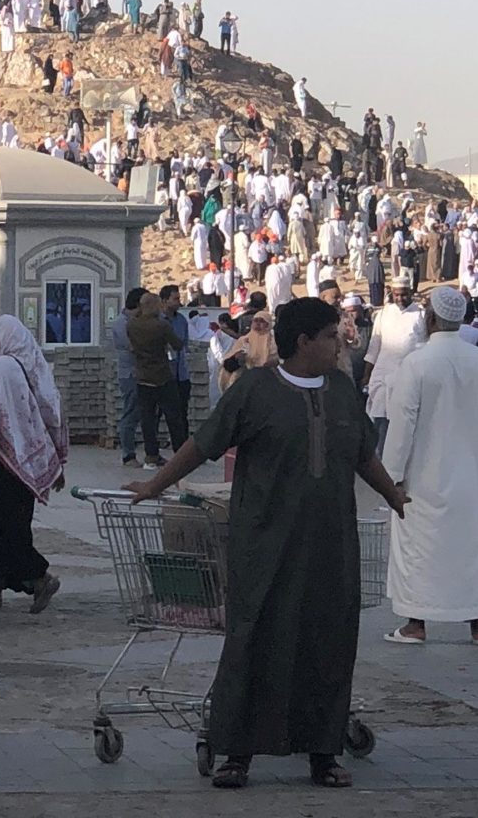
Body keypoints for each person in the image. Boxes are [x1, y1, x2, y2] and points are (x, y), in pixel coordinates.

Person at [125, 298, 408, 790]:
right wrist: (155, 485)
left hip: (331, 547)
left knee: (328, 644)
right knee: (254, 642)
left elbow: (363, 455)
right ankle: (237, 753)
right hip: (265, 545)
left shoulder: (342, 391)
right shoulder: (254, 390)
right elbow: (202, 445)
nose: (340, 342)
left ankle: (323, 752)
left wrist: (394, 495)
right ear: (303, 342)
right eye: (330, 335)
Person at [382, 287, 478, 645]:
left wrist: (389, 478)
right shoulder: (477, 360)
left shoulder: (417, 363)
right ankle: (477, 625)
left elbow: (402, 424)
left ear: (432, 319)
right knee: (473, 552)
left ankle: (415, 624)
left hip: (424, 478)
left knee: (418, 553)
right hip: (472, 477)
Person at [0, 315, 65, 612]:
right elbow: (52, 414)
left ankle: (39, 576)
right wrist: (56, 461)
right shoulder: (36, 365)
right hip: (28, 460)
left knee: (0, 526)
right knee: (14, 522)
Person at [361, 275, 426, 455]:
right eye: (396, 295)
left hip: (409, 378)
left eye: (404, 295)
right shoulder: (383, 314)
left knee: (404, 423)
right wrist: (367, 374)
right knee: (380, 420)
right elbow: (374, 347)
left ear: (411, 293)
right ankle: (380, 462)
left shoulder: (420, 315)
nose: (400, 299)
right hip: (382, 375)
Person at [126, 293, 187, 469]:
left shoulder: (132, 324)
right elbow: (177, 344)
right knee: (173, 416)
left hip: (142, 376)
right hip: (162, 376)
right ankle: (180, 454)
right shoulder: (161, 325)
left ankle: (151, 455)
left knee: (148, 418)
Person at [112, 288, 148, 468]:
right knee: (131, 413)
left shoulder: (139, 322)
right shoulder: (121, 323)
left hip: (143, 372)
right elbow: (134, 347)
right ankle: (128, 454)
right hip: (130, 374)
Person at [160, 284, 191, 439]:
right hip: (162, 375)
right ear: (164, 301)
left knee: (181, 414)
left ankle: (182, 448)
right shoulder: (158, 321)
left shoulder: (181, 321)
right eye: (175, 299)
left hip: (181, 374)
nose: (179, 302)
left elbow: (183, 344)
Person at [218, 310, 277, 391]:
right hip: (244, 383)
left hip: (266, 384)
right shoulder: (244, 340)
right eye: (256, 321)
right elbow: (228, 365)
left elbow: (277, 361)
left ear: (268, 324)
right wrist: (237, 359)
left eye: (262, 321)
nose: (258, 324)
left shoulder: (273, 342)